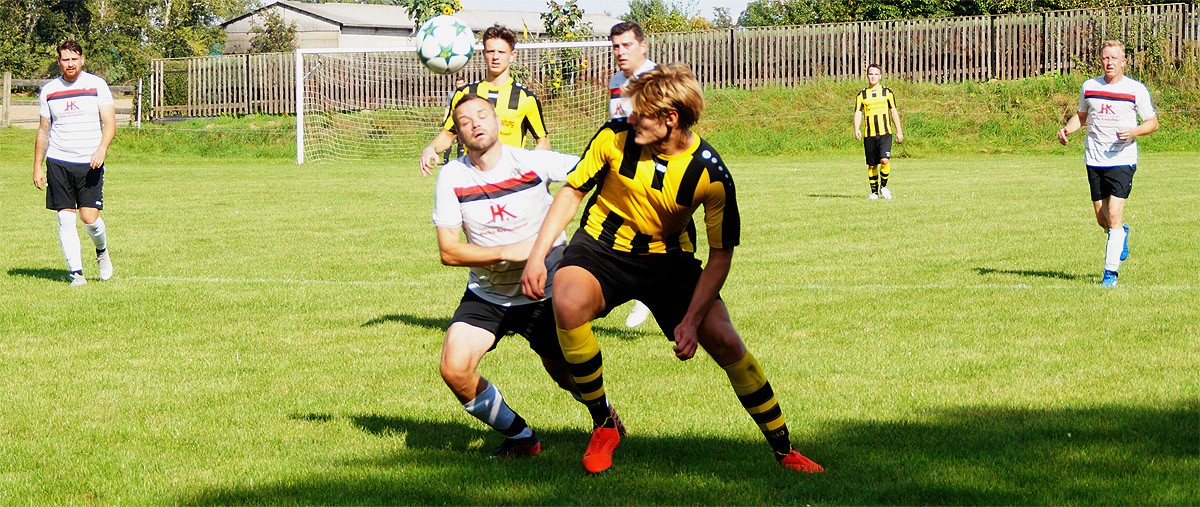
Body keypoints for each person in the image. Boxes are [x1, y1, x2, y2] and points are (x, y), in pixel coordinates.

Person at [520, 63, 824, 475]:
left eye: (640, 113)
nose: (629, 117)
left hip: (669, 264)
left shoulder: (710, 174)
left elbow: (720, 255)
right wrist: (539, 255)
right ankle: (604, 423)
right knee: (568, 302)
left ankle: (785, 450)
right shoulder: (614, 137)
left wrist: (692, 320)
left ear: (670, 118)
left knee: (727, 343)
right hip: (601, 249)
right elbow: (573, 190)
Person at [433, 94, 623, 458]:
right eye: (465, 120)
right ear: (457, 133)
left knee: (566, 375)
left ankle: (605, 416)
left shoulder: (534, 162)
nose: (475, 123)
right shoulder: (452, 175)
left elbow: (601, 171)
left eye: (482, 115)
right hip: (487, 295)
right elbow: (449, 251)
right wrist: (508, 252)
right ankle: (521, 437)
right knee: (455, 369)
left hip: (546, 293)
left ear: (497, 122)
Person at [1057, 40, 1158, 287]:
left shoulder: (1136, 89)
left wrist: (1134, 131)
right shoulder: (1090, 87)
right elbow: (1081, 117)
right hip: (1094, 159)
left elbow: (1152, 123)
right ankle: (1121, 232)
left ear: (1124, 61)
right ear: (1101, 60)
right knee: (1103, 220)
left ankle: (1110, 274)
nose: (1109, 62)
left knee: (1113, 213)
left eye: (1114, 58)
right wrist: (1067, 130)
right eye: (1105, 58)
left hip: (1122, 160)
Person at [32, 40, 116, 286]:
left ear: (82, 60)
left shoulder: (97, 85)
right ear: (58, 62)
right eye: (65, 59)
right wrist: (38, 165)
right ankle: (76, 273)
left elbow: (110, 124)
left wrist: (102, 149)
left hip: (90, 161)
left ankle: (101, 250)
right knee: (65, 218)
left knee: (89, 218)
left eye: (74, 59)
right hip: (58, 160)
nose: (70, 63)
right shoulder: (49, 90)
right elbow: (44, 130)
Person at [420, 24, 549, 175]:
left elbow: (543, 141)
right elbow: (448, 134)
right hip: (474, 178)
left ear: (512, 55)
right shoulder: (465, 94)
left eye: (501, 52)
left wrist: (527, 166)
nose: (495, 57)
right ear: (483, 54)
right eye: (491, 51)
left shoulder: (526, 98)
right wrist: (430, 149)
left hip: (510, 180)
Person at [608, 21, 657, 328]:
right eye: (616, 46)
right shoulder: (615, 79)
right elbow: (616, 123)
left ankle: (645, 295)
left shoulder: (655, 78)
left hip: (651, 168)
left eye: (626, 45)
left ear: (643, 45)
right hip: (621, 168)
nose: (620, 52)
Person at [853, 63, 904, 200]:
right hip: (869, 135)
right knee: (872, 165)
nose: (873, 76)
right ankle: (874, 192)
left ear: (880, 76)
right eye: (871, 74)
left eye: (876, 74)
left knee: (884, 160)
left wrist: (899, 130)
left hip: (885, 133)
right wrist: (856, 128)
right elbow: (858, 112)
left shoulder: (887, 92)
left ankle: (884, 187)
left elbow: (893, 111)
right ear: (867, 75)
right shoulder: (862, 95)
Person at [442, 75, 468, 164]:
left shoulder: (466, 94)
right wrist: (445, 118)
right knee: (449, 140)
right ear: (455, 84)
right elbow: (448, 107)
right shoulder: (451, 94)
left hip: (462, 121)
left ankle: (460, 160)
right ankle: (445, 160)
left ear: (464, 84)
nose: (459, 85)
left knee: (461, 142)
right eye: (458, 84)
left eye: (461, 83)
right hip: (452, 121)